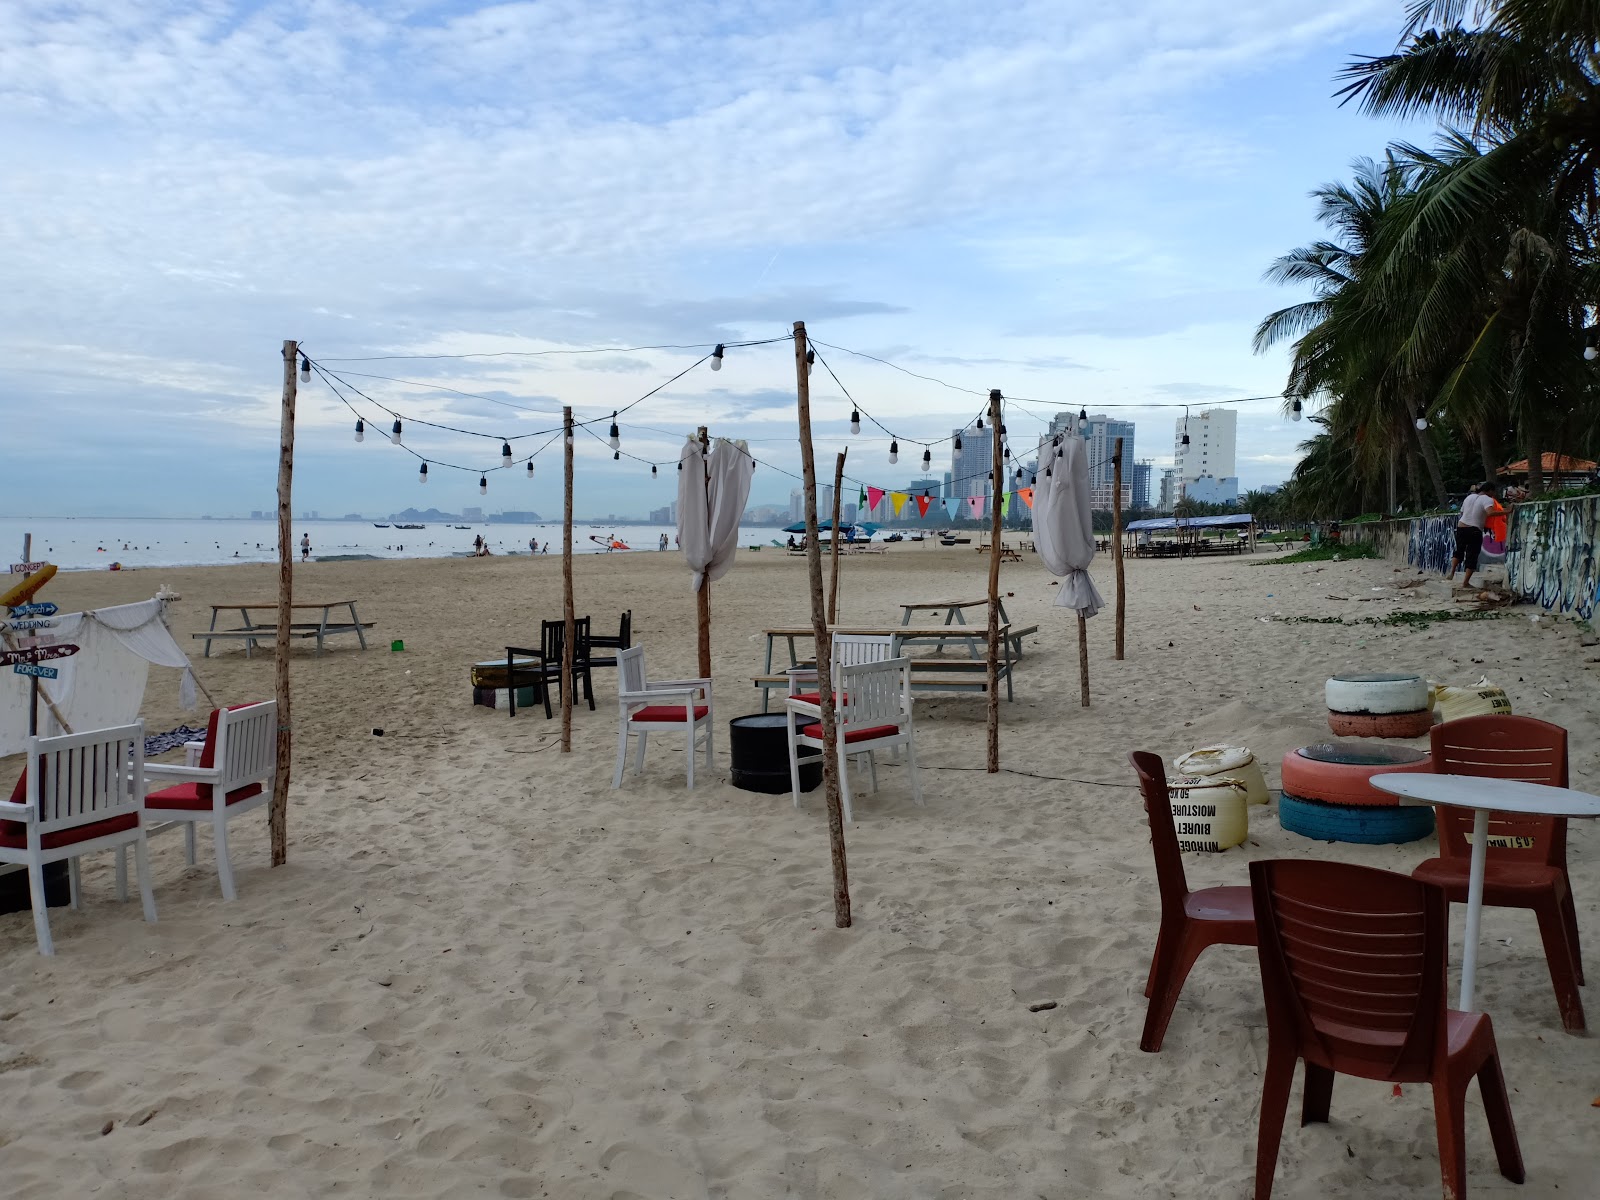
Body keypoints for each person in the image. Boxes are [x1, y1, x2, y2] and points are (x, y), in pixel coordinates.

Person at [1450, 482, 1497, 589]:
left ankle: (1452, 572)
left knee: (1459, 550)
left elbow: (1462, 513)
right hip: (1474, 530)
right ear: (1489, 490)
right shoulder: (1487, 499)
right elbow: (1490, 512)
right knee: (1472, 556)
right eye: (1493, 492)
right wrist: (1506, 511)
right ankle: (1465, 583)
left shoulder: (1469, 497)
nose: (1493, 494)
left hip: (1461, 527)